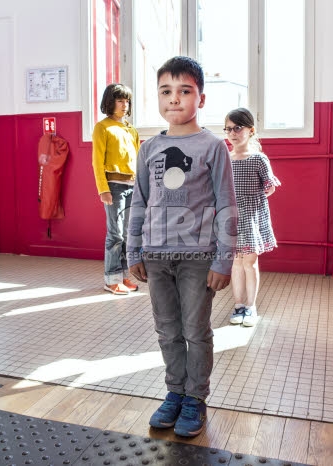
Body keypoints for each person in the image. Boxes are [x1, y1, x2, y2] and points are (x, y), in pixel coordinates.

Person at [127, 56, 238, 437]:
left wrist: (224, 260)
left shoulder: (213, 147)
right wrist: (133, 251)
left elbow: (227, 204)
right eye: (166, 91)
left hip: (197, 258)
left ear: (201, 99)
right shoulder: (148, 148)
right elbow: (138, 202)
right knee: (167, 331)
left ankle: (195, 398)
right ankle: (174, 393)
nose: (175, 99)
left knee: (196, 330)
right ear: (158, 98)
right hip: (156, 257)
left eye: (184, 91)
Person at [224, 108, 280, 327]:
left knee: (249, 262)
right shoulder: (226, 158)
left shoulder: (258, 158)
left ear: (250, 130)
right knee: (236, 263)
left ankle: (251, 306)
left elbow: (269, 185)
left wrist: (265, 190)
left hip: (251, 218)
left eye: (237, 128)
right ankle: (238, 305)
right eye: (228, 129)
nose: (232, 133)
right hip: (231, 218)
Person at [92, 83, 140, 295]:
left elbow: (139, 160)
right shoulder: (102, 127)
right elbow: (96, 161)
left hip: (133, 186)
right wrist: (103, 189)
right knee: (115, 234)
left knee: (129, 235)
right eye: (120, 100)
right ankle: (111, 279)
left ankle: (124, 277)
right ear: (110, 103)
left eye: (127, 101)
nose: (124, 104)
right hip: (114, 187)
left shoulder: (130, 129)